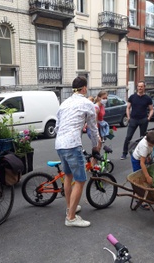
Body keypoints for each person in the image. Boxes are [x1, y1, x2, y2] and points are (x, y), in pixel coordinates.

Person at [55, 76, 100, 227]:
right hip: (72, 144)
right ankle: (71, 218)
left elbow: (57, 126)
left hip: (60, 144)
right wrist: (96, 145)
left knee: (68, 176)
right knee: (80, 180)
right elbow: (93, 129)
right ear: (84, 88)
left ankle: (70, 208)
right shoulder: (87, 104)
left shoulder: (64, 103)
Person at [121, 81, 154, 160]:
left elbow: (152, 109)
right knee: (128, 137)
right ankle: (124, 153)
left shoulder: (147, 98)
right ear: (137, 87)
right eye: (139, 86)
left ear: (144, 87)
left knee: (142, 138)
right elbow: (128, 107)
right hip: (133, 119)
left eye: (141, 86)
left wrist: (148, 118)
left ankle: (141, 153)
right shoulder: (132, 97)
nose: (140, 88)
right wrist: (128, 117)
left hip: (143, 120)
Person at [131, 131, 154, 210]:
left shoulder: (149, 138)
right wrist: (147, 177)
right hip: (137, 160)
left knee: (143, 177)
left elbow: (149, 149)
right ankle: (141, 199)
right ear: (147, 141)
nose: (152, 146)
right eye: (150, 144)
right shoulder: (144, 146)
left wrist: (148, 156)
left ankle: (140, 195)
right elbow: (142, 164)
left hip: (142, 158)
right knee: (140, 179)